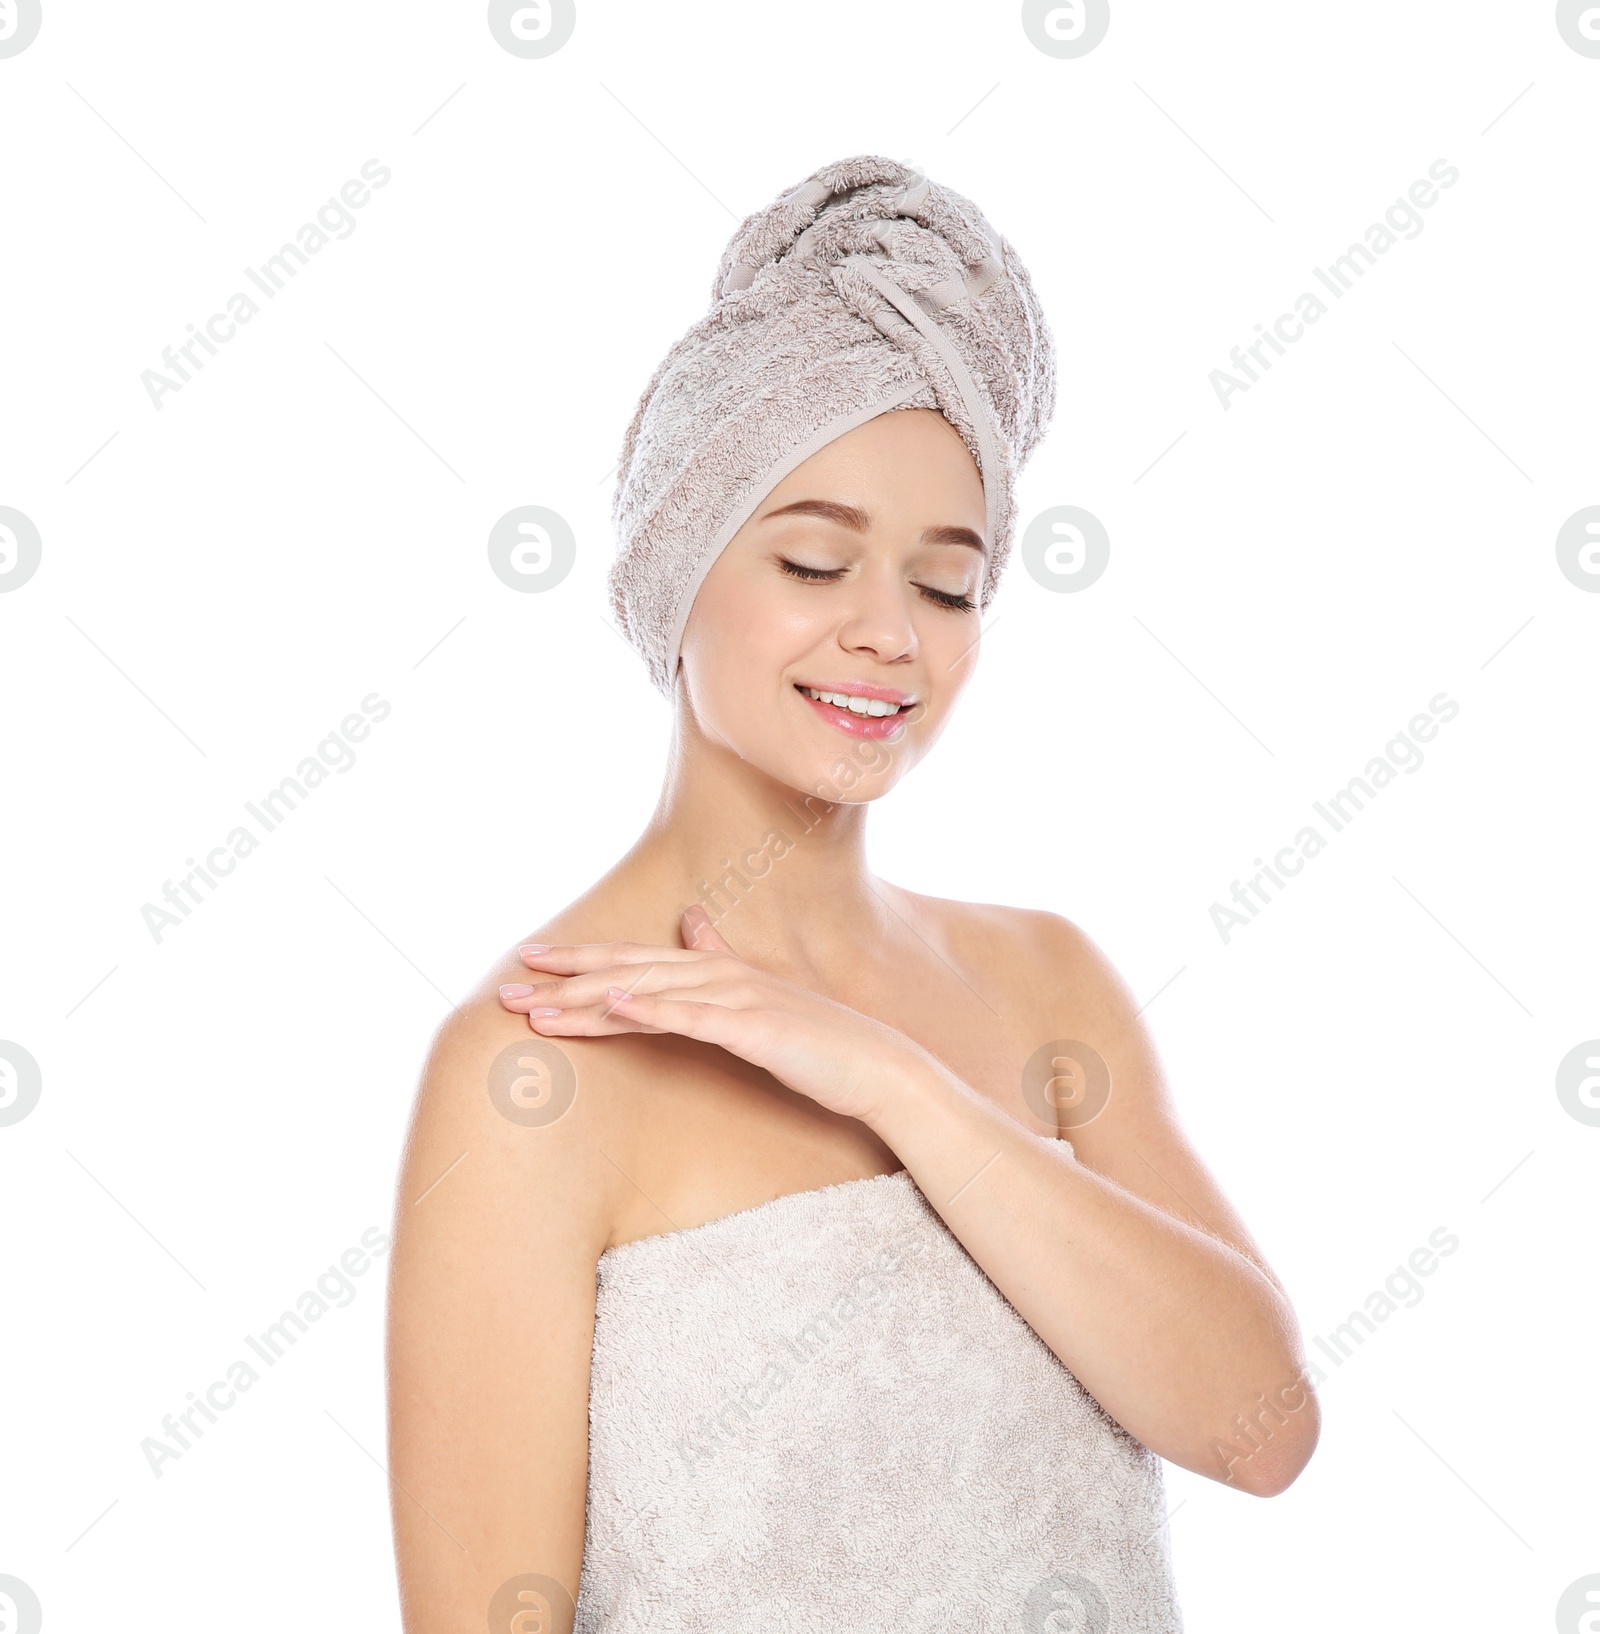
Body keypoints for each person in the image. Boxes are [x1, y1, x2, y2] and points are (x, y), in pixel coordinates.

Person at [386, 155, 1318, 1634]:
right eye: (816, 560)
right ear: (675, 566)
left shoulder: (1048, 984)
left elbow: (1260, 1427)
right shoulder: (540, 1059)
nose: (888, 633)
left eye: (948, 585)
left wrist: (895, 1081)